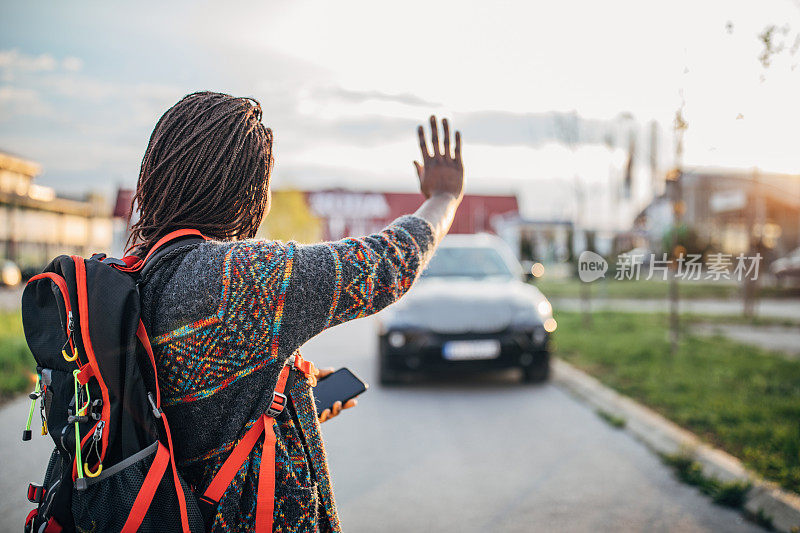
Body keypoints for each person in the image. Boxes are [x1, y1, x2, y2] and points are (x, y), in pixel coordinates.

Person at [127, 91, 464, 532]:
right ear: (247, 191)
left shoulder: (137, 275)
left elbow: (193, 406)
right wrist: (444, 199)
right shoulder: (240, 278)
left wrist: (293, 397)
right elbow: (387, 263)